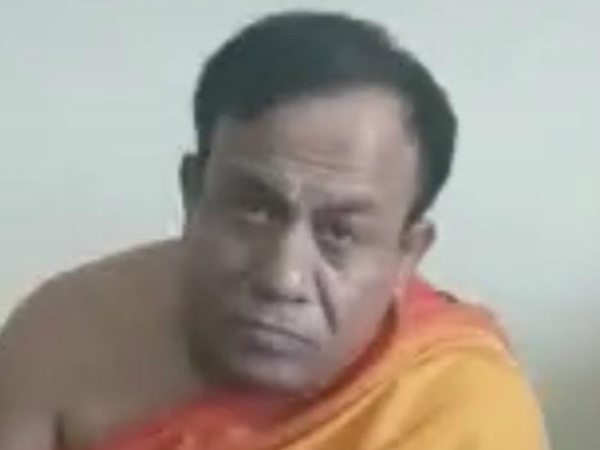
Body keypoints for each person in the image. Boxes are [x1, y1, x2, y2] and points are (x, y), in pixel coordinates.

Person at [0, 11, 546, 450]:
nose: (282, 279)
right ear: (194, 194)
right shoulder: (66, 337)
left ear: (408, 254)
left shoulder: (458, 411)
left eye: (340, 234)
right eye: (253, 210)